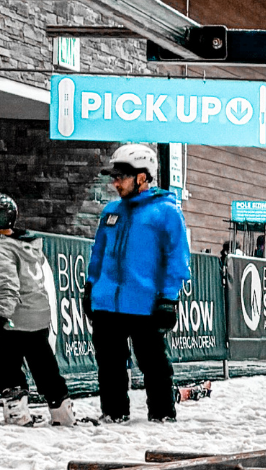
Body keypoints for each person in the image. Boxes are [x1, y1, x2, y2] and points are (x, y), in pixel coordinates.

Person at [83, 144, 191, 424]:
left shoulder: (166, 212)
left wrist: (168, 298)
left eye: (121, 177)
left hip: (146, 303)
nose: (115, 183)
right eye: (114, 177)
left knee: (154, 364)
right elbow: (98, 254)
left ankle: (162, 414)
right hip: (107, 301)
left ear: (142, 177)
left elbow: (177, 258)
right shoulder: (111, 211)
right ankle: (113, 413)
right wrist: (91, 287)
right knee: (109, 364)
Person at [0, 194, 74, 427]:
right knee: (44, 366)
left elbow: (8, 288)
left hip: (15, 320)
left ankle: (17, 413)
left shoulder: (0, 251)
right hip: (38, 316)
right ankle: (62, 412)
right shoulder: (28, 246)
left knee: (8, 368)